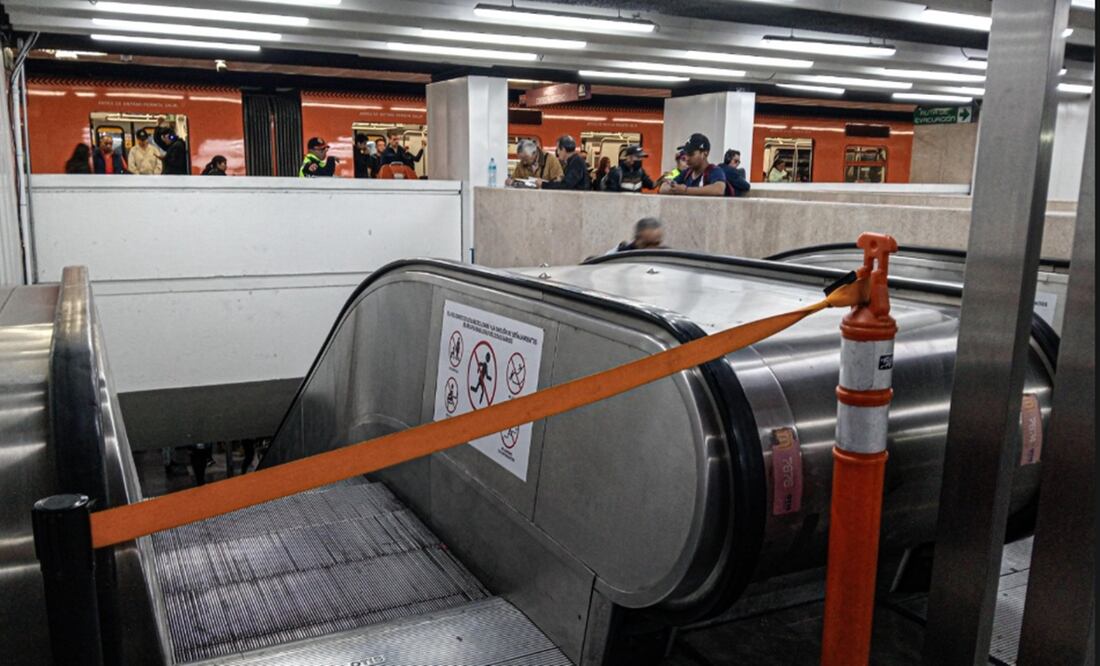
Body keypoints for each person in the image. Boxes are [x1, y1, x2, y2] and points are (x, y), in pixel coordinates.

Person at [659, 133, 730, 197]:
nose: (687, 158)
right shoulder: (685, 172)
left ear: (705, 153)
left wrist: (685, 191)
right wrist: (674, 188)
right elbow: (662, 188)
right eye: (685, 154)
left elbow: (719, 189)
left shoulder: (715, 171)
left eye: (690, 154)